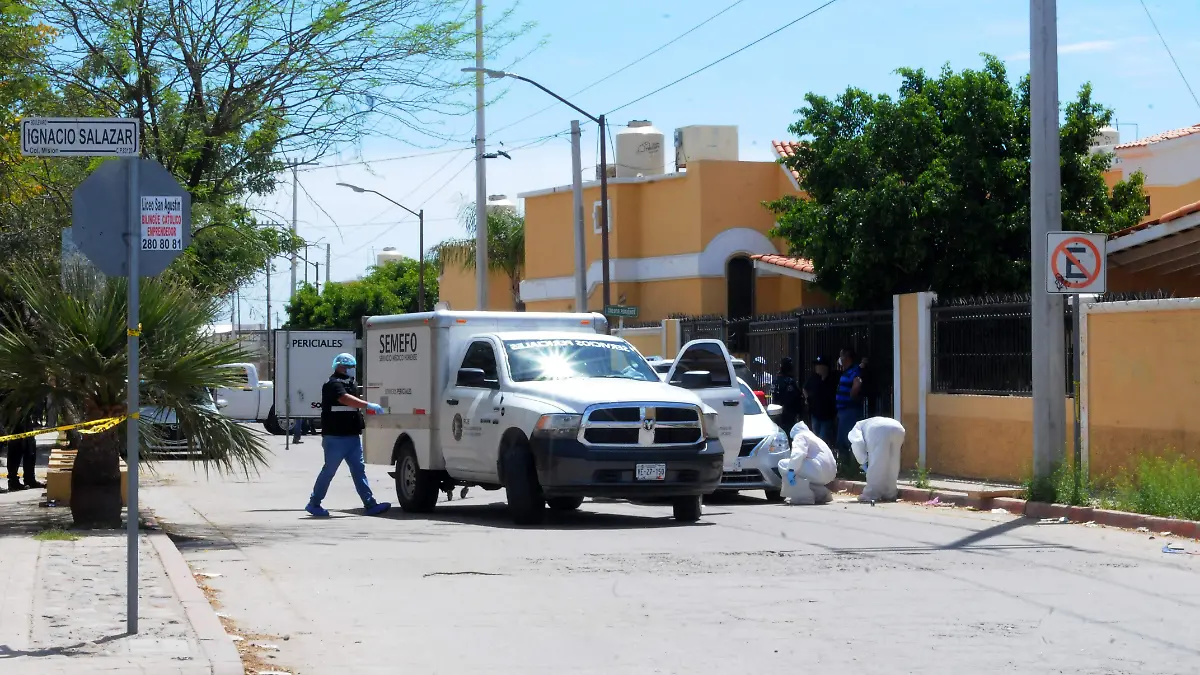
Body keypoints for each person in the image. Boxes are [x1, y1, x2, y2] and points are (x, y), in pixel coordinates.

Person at [305, 353, 391, 518]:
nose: (351, 370)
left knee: (359, 471)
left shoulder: (350, 383)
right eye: (348, 367)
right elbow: (344, 399)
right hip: (335, 437)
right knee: (329, 471)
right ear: (339, 366)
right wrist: (367, 405)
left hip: (351, 436)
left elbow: (351, 401)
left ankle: (370, 504)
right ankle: (314, 503)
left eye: (352, 367)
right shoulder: (333, 384)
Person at [834, 347, 865, 467]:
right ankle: (848, 467)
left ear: (847, 357)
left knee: (846, 440)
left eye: (841, 356)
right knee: (842, 440)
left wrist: (852, 395)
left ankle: (850, 467)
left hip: (850, 410)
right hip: (843, 411)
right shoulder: (846, 371)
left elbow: (858, 383)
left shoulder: (854, 370)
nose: (840, 359)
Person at [802, 356, 837, 447]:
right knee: (816, 437)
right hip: (815, 414)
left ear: (825, 367)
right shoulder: (813, 378)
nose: (816, 367)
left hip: (827, 415)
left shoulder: (832, 379)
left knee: (822, 439)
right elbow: (804, 388)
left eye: (818, 365)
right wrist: (807, 399)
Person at [771, 357, 801, 432]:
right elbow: (794, 397)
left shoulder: (775, 380)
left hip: (776, 412)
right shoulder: (789, 381)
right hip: (788, 414)